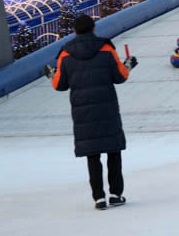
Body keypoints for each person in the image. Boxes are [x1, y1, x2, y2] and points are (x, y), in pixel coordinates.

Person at [50, 15, 138, 210]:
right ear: (93, 29)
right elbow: (120, 76)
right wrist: (129, 64)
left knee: (93, 154)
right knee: (113, 151)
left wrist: (51, 74)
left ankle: (99, 197)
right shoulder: (106, 48)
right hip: (107, 109)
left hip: (83, 114)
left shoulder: (65, 54)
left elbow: (59, 85)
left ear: (74, 31)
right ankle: (116, 194)